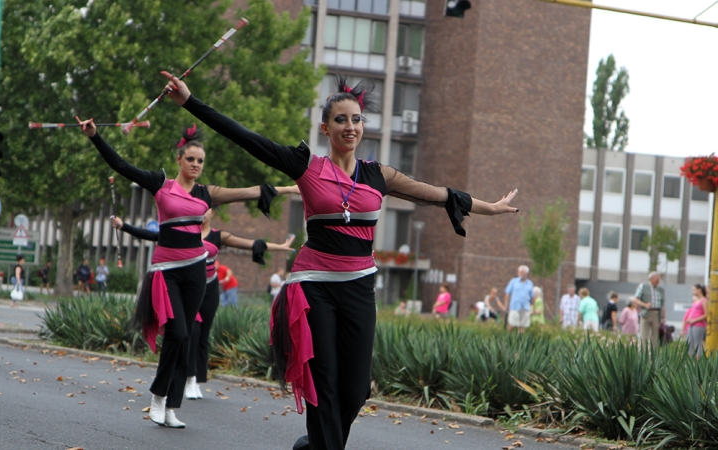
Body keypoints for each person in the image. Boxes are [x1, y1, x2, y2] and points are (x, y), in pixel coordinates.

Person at [159, 72, 518, 450]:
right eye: (341, 120)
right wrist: (190, 101)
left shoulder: (378, 175)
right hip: (314, 289)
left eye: (357, 119)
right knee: (324, 381)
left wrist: (490, 207)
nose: (351, 127)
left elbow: (438, 194)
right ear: (325, 128)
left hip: (360, 288)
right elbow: (246, 137)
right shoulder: (307, 167)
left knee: (356, 389)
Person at [76, 117, 297, 429]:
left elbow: (248, 191)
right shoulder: (161, 184)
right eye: (191, 159)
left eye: (201, 161)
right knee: (177, 333)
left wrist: (291, 186)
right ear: (179, 159)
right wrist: (95, 137)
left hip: (196, 271)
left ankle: (170, 407)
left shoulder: (207, 194)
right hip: (166, 271)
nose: (196, 165)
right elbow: (122, 166)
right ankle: (157, 397)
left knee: (187, 339)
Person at [112, 210, 295, 400]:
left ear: (212, 212)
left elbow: (250, 244)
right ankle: (189, 377)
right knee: (192, 331)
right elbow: (152, 234)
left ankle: (197, 380)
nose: (202, 213)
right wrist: (124, 226)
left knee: (203, 335)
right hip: (189, 288)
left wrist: (281, 247)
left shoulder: (218, 236)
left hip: (210, 289)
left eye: (206, 209)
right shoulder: (183, 232)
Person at [632, 271, 666, 350]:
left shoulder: (661, 289)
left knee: (655, 337)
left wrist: (663, 317)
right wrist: (645, 305)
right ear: (651, 279)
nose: (658, 281)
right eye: (657, 279)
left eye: (659, 279)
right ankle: (642, 355)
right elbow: (635, 299)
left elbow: (663, 304)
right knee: (643, 336)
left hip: (657, 314)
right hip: (646, 313)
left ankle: (653, 356)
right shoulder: (643, 286)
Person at [504, 265, 534, 333]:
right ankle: (508, 338)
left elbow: (532, 296)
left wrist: (532, 306)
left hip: (525, 307)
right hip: (515, 306)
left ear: (526, 273)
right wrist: (506, 305)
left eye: (522, 272)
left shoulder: (530, 283)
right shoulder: (513, 282)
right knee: (512, 324)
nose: (520, 273)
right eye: (519, 272)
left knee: (522, 326)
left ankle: (520, 341)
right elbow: (507, 293)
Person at [682, 284, 707, 359]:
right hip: (691, 325)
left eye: (694, 290)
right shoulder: (695, 301)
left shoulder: (704, 300)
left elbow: (706, 314)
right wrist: (688, 321)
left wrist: (694, 320)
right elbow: (692, 312)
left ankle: (698, 360)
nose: (692, 291)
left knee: (698, 343)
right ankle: (690, 360)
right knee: (690, 342)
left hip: (699, 325)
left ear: (699, 290)